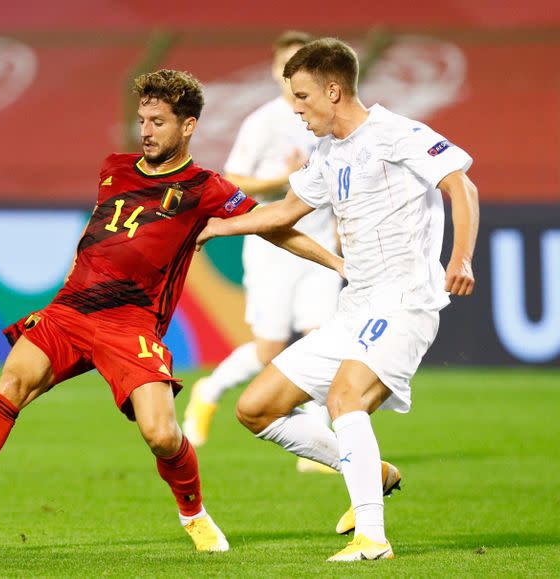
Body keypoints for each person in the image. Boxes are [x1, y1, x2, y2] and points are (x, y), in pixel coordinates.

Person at [0, 69, 344, 552]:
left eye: (158, 121)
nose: (146, 131)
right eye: (142, 120)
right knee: (11, 385)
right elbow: (97, 232)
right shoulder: (114, 167)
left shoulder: (205, 186)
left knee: (161, 435)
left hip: (131, 323)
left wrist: (336, 261)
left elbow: (274, 227)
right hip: (71, 310)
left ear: (188, 126)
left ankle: (194, 514)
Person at [195, 38, 479, 562]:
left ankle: (372, 539)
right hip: (357, 306)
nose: (296, 108)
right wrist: (216, 227)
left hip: (404, 302)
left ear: (333, 89)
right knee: (257, 408)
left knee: (344, 400)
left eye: (302, 97)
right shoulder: (328, 153)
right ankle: (376, 473)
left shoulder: (396, 133)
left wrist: (459, 259)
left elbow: (461, 185)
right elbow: (281, 214)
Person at [182, 32, 342, 476]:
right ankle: (209, 391)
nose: (292, 75)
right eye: (285, 66)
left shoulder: (329, 119)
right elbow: (232, 180)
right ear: (275, 71)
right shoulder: (263, 122)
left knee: (321, 339)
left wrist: (340, 226)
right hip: (274, 247)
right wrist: (279, 179)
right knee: (270, 349)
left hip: (319, 244)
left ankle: (317, 443)